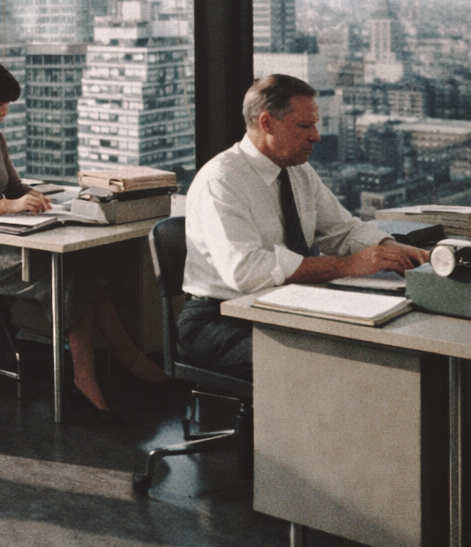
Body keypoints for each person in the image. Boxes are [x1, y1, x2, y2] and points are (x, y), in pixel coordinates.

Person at [0, 60, 167, 421]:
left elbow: (14, 186)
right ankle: (91, 379)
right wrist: (10, 204)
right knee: (67, 276)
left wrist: (40, 197)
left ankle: (127, 359)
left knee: (80, 266)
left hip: (4, 239)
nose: (4, 114)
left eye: (8, 107)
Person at [182, 73, 429, 375]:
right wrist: (347, 265)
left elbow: (342, 229)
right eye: (304, 126)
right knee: (326, 362)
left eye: (315, 124)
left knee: (377, 341)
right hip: (219, 319)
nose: (316, 136)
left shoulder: (297, 171)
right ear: (267, 123)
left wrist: (390, 248)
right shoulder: (221, 180)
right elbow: (246, 271)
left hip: (284, 304)